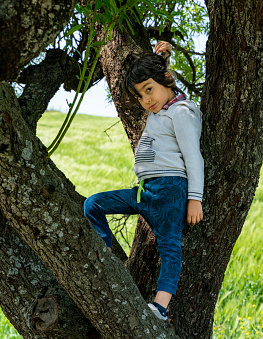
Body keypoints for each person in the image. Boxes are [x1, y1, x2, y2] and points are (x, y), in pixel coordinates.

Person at [83, 41, 204, 321]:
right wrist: (161, 57)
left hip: (170, 191)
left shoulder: (182, 112)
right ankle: (106, 260)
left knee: (170, 248)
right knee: (94, 204)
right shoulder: (160, 110)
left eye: (149, 90)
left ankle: (160, 307)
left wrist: (195, 198)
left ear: (166, 82)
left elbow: (194, 157)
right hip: (145, 192)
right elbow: (159, 81)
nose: (146, 100)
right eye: (140, 95)